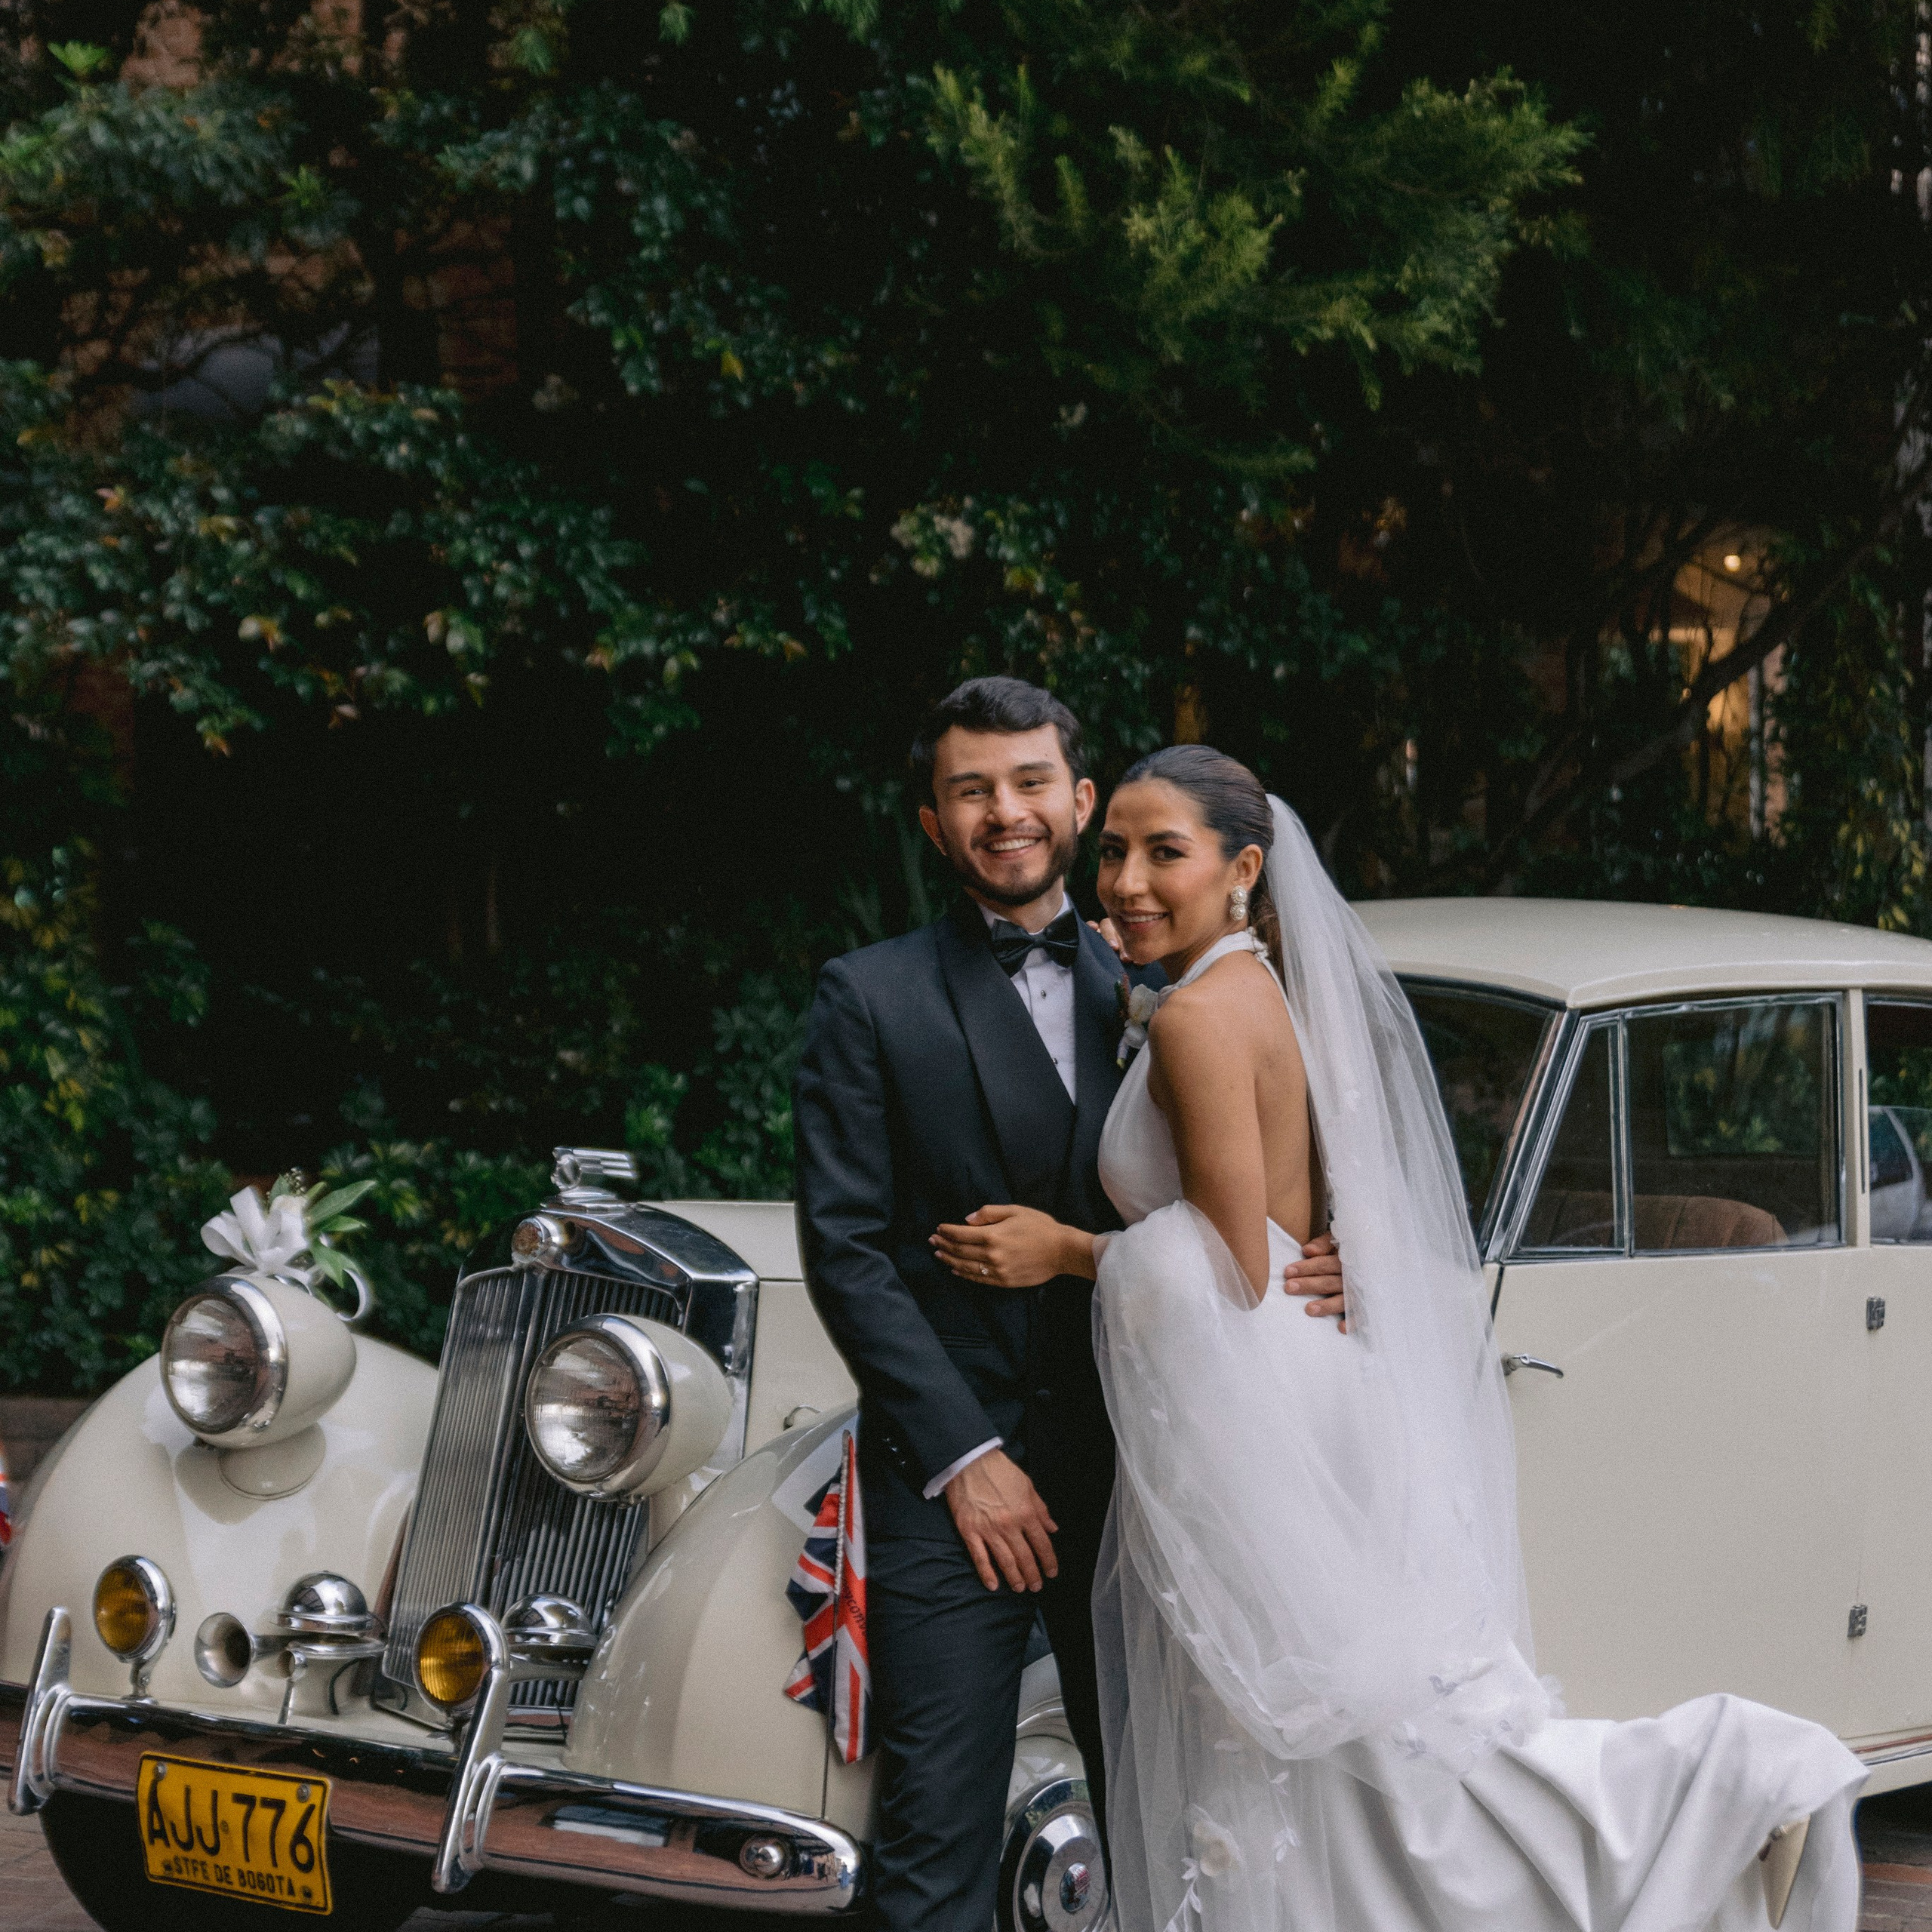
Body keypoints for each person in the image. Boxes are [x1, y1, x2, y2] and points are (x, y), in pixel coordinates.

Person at [980, 742, 1867, 1932]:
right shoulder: (1248, 991)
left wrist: (1067, 1249)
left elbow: (1227, 1261)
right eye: (1118, 853)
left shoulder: (1199, 1019)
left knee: (1369, 1740)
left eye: (1164, 853)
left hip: (1257, 1409)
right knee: (1364, 1755)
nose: (1127, 882)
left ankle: (1726, 1774)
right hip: (1289, 1389)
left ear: (1244, 869)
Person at [791, 680, 1346, 1932]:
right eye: (970, 790)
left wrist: (1344, 1248)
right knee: (935, 1837)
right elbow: (848, 1251)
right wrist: (965, 1457)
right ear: (934, 823)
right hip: (958, 1482)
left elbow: (1295, 1149)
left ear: (1079, 800)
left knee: (1187, 1808)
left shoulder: (1162, 960)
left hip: (1157, 1465)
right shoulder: (867, 998)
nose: (1005, 813)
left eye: (1031, 782)